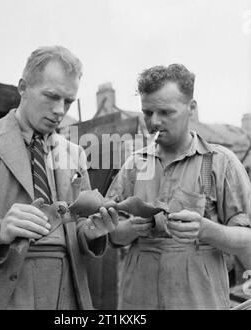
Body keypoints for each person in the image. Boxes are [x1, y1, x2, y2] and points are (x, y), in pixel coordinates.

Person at [0, 45, 118, 309]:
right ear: (23, 87)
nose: (60, 110)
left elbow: (81, 228)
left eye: (68, 101)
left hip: (68, 295)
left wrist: (92, 233)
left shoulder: (75, 153)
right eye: (51, 96)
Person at [107, 64, 251, 310]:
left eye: (165, 112)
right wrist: (129, 229)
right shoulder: (134, 165)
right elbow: (112, 235)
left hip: (197, 298)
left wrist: (206, 229)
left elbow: (246, 238)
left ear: (191, 109)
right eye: (147, 112)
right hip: (138, 297)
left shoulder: (220, 162)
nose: (154, 122)